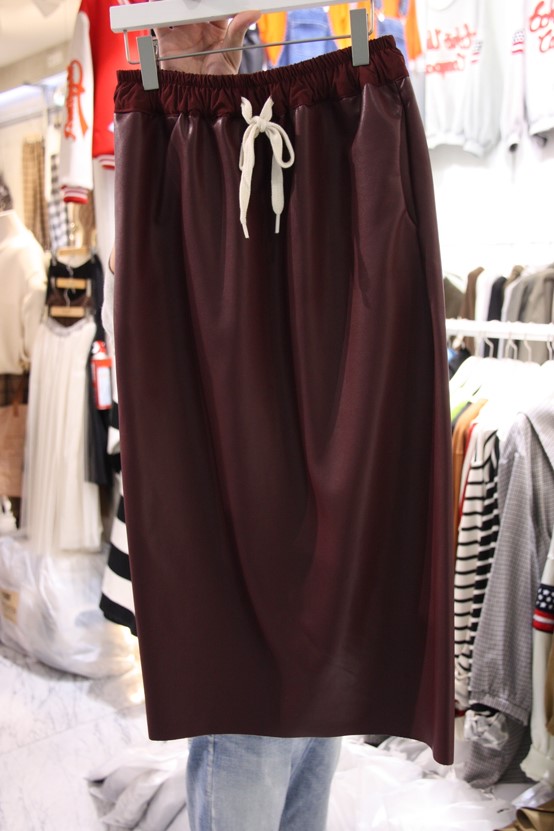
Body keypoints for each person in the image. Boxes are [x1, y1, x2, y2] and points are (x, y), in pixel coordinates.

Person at [109, 12, 342, 831]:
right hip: (238, 542)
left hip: (306, 538)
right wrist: (187, 86)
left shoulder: (312, 92)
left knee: (308, 723)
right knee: (251, 711)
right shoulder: (175, 150)